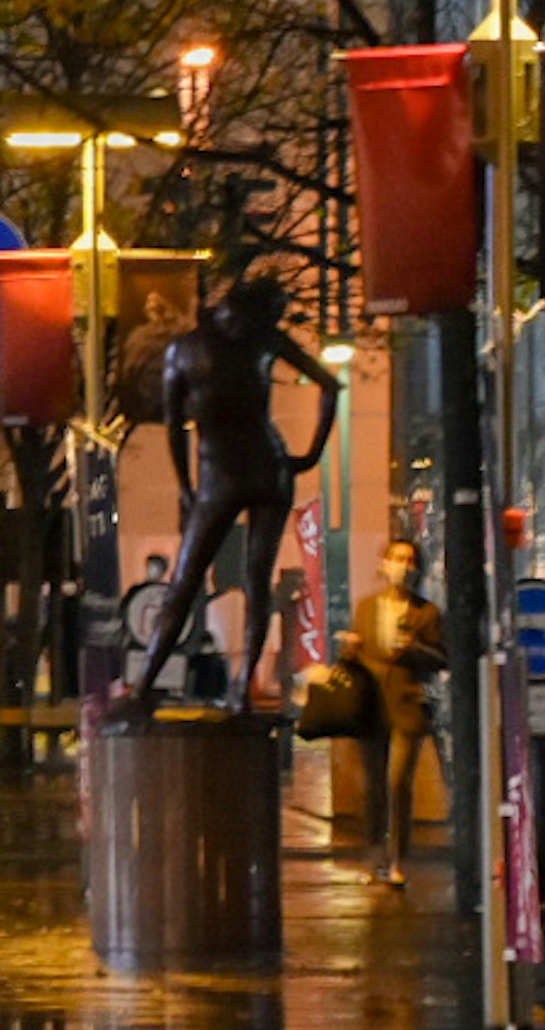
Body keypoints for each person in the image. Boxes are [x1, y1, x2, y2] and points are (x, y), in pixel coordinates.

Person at [133, 276, 341, 712]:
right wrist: (307, 455)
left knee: (189, 580)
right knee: (253, 581)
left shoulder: (187, 350)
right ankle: (238, 688)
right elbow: (330, 385)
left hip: (224, 474)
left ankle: (148, 685)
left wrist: (188, 488)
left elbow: (175, 427)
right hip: (267, 468)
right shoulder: (261, 339)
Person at [347, 536, 447, 889]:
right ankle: (373, 853)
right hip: (372, 707)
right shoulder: (367, 608)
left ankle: (399, 857)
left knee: (398, 782)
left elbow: (441, 658)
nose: (401, 567)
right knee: (371, 786)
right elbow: (355, 660)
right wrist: (349, 650)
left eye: (408, 560)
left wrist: (415, 648)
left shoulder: (427, 612)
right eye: (395, 559)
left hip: (408, 705)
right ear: (383, 564)